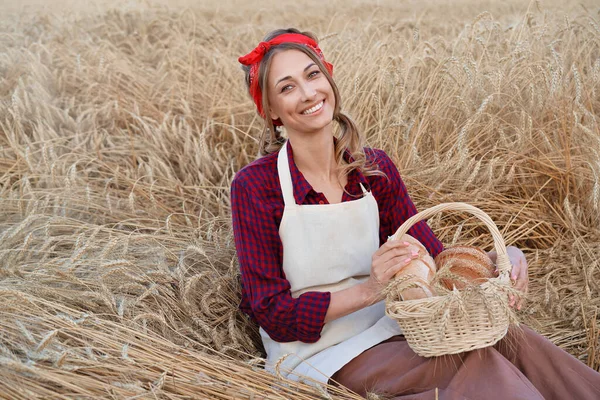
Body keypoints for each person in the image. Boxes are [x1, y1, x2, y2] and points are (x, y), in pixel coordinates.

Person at [230, 28, 600, 399]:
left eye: (313, 75)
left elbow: (433, 255)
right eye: (287, 87)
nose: (309, 93)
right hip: (321, 352)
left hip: (398, 324)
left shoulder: (372, 169)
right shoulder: (256, 187)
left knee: (515, 342)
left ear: (328, 78)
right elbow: (274, 314)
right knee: (481, 364)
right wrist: (371, 289)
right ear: (272, 111)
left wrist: (500, 261)